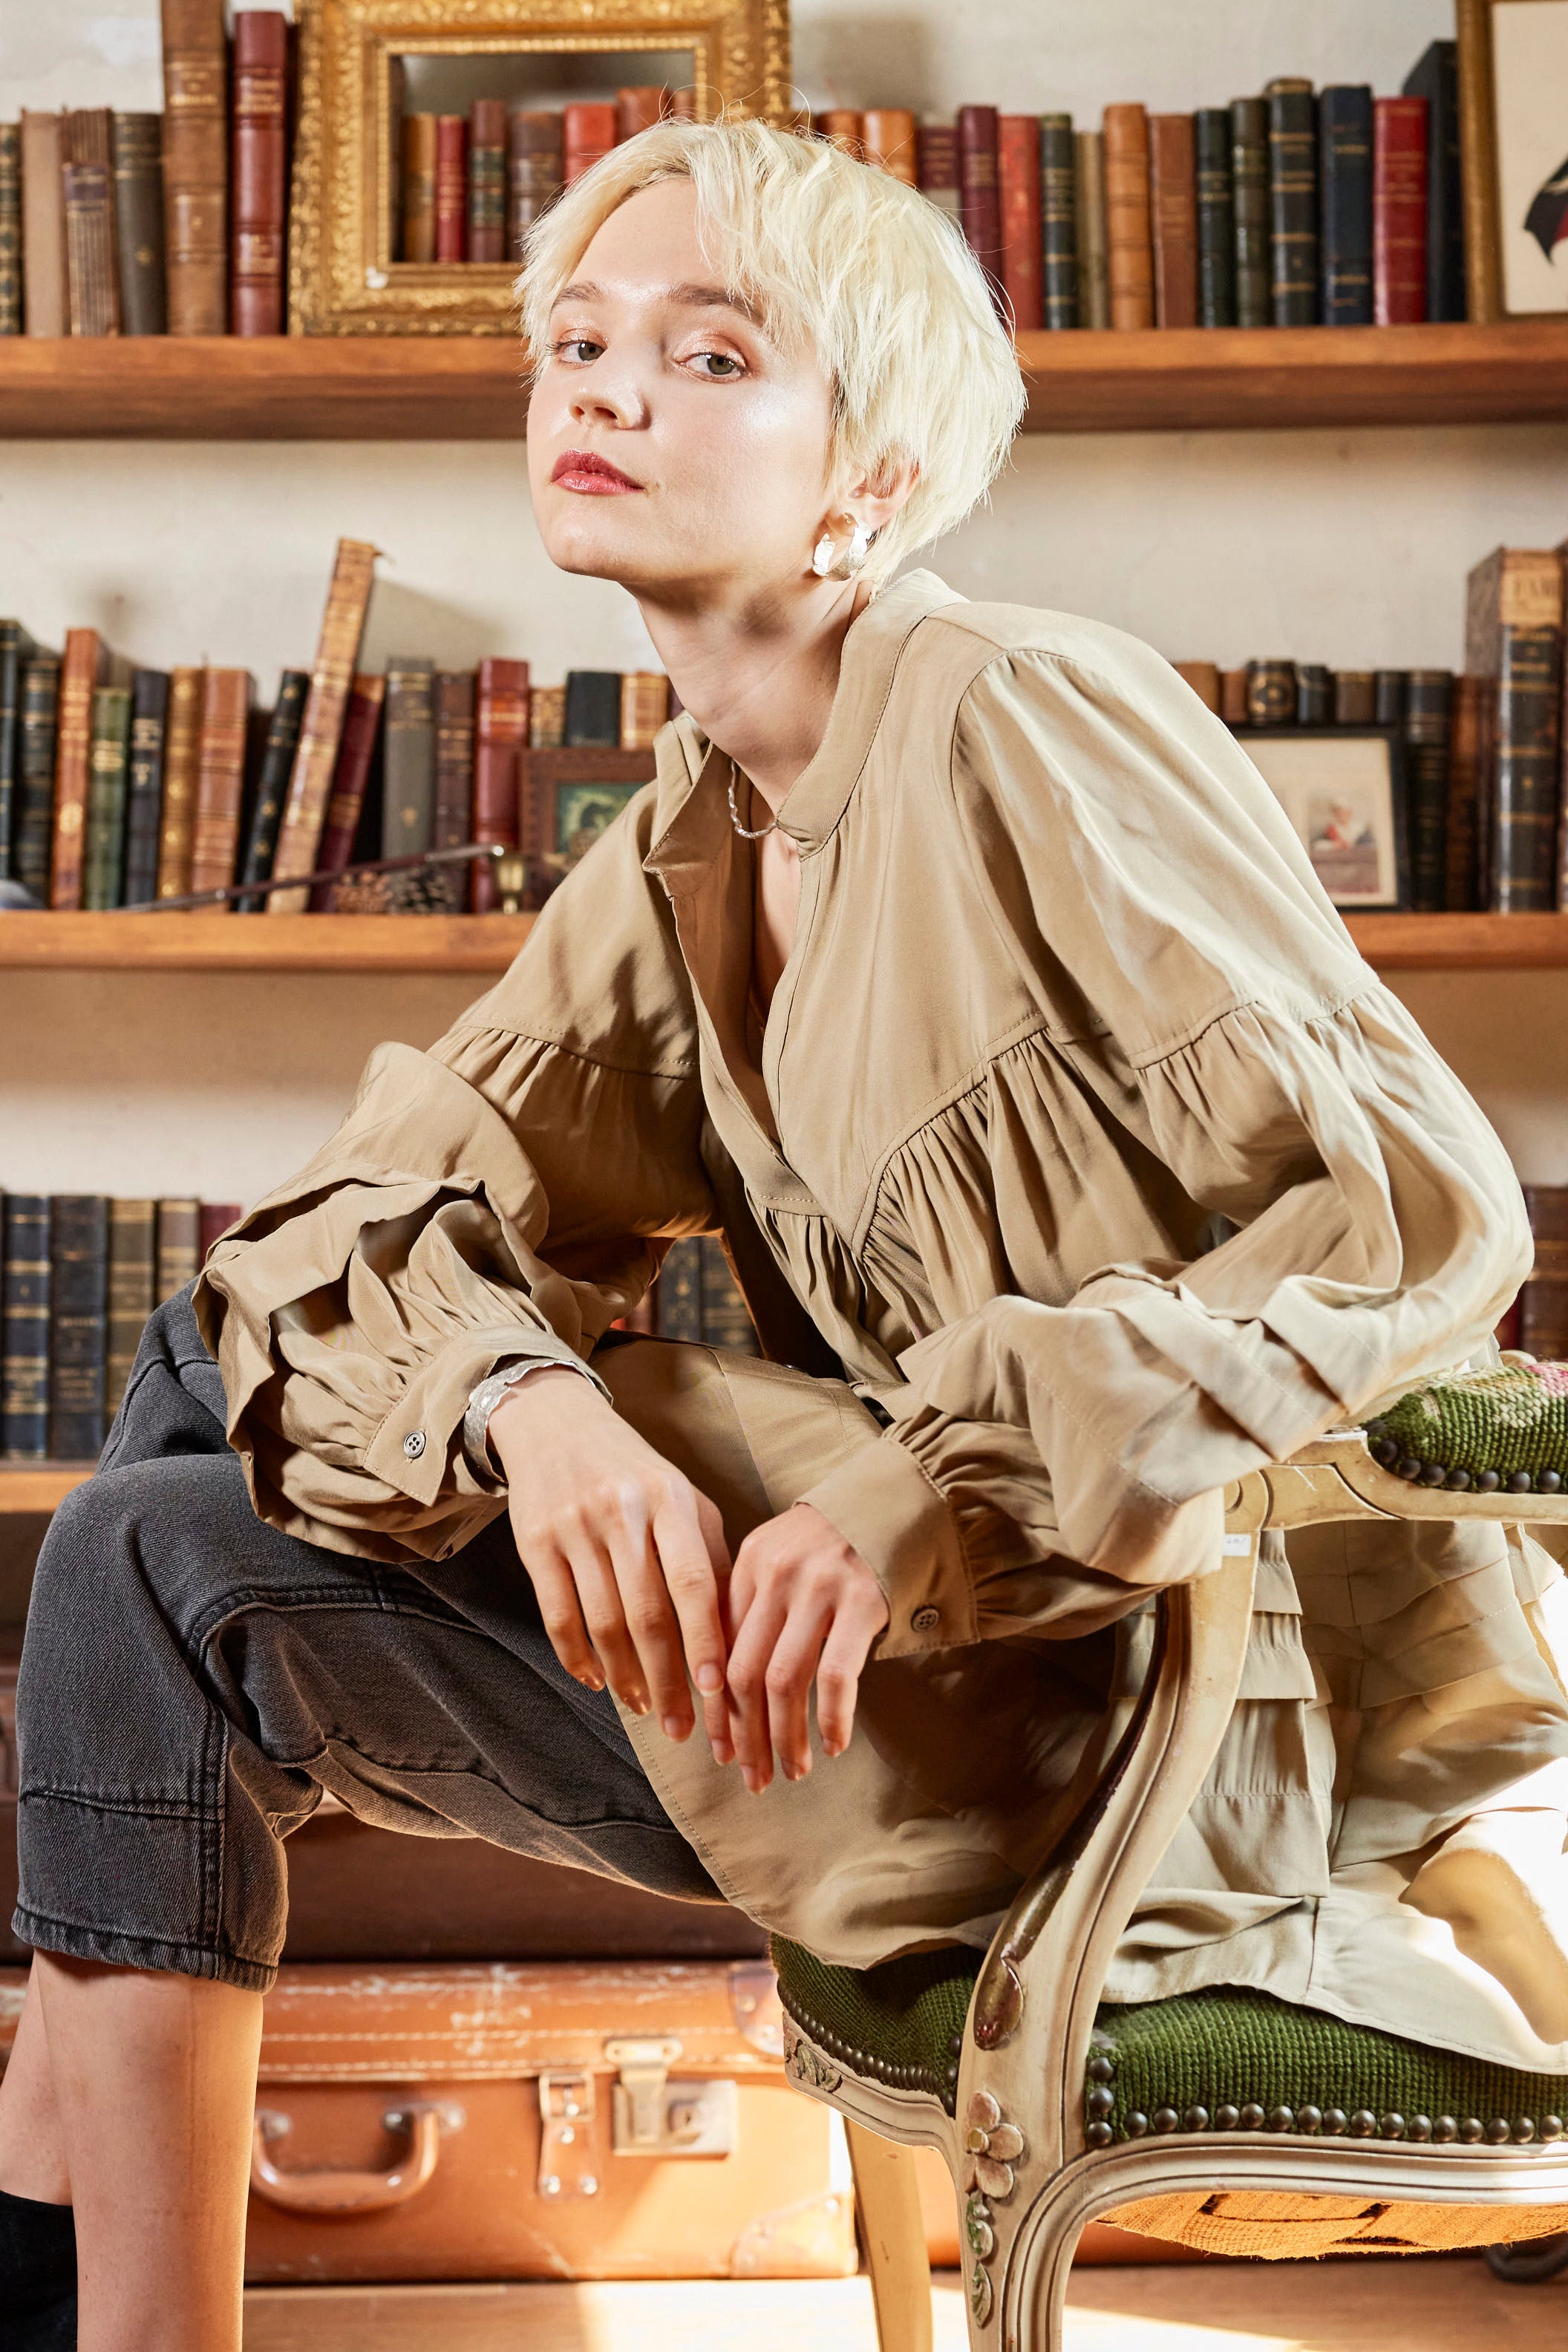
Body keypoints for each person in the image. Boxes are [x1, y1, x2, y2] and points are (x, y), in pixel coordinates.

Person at [1, 115, 1564, 2351]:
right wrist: (531, 1409)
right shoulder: (695, 839)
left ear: (874, 476)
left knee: (138, 1555)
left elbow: (1410, 1215)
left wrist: (937, 1477)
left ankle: (57, 2212)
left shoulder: (1015, 711)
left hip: (1144, 1713)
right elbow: (360, 1221)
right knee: (204, 1402)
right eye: (576, 343)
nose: (605, 389)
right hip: (863, 1671)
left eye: (710, 353)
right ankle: (78, 2236)